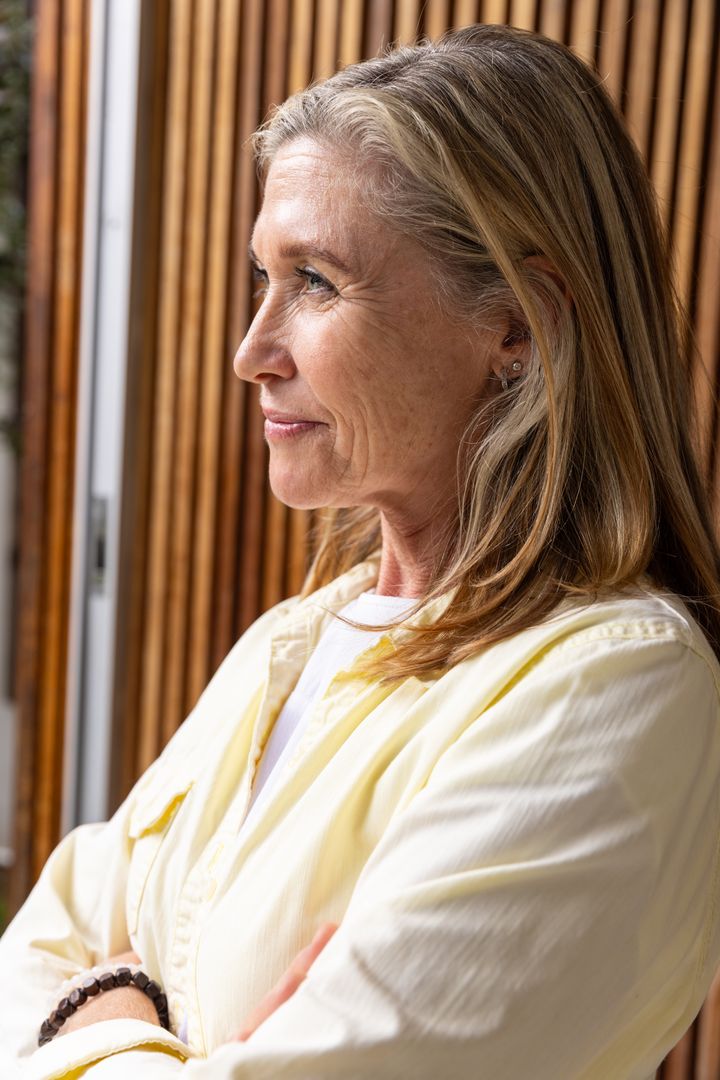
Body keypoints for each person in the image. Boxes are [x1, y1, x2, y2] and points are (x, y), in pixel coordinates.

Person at [3, 22, 720, 1079]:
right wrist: (157, 1034)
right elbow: (28, 950)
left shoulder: (618, 692)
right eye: (264, 276)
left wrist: (106, 1010)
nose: (252, 351)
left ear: (518, 323)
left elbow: (46, 992)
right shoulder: (296, 641)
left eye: (319, 282)